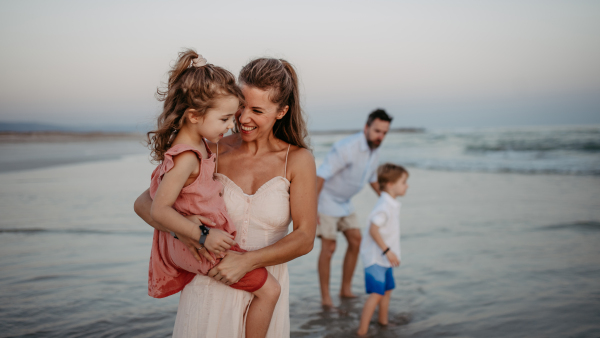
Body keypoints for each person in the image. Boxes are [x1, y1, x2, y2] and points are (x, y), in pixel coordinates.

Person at [134, 56, 317, 338]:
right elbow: (145, 203)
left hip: (262, 289)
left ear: (281, 111)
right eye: (240, 106)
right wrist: (184, 232)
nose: (243, 118)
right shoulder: (211, 150)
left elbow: (305, 237)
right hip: (207, 289)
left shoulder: (298, 160)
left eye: (257, 110)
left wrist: (247, 262)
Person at [316, 109, 393, 306]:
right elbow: (321, 175)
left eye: (384, 133)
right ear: (366, 127)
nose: (380, 136)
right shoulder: (346, 148)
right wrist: (312, 208)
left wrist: (388, 200)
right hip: (326, 200)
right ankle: (326, 298)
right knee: (329, 248)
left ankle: (345, 289)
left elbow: (373, 179)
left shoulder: (375, 150)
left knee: (356, 240)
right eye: (377, 131)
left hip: (345, 203)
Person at [356, 163, 409, 336]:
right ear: (391, 185)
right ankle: (362, 331)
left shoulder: (390, 203)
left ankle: (383, 322)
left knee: (387, 290)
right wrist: (388, 251)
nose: (406, 186)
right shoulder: (384, 205)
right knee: (377, 294)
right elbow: (373, 229)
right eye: (404, 182)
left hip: (383, 258)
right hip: (375, 257)